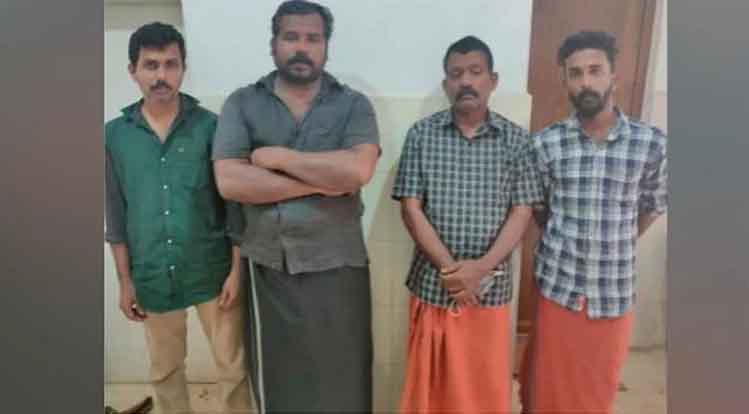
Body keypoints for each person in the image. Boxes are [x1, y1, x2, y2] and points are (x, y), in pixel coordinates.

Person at [211, 1, 381, 412]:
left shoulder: (353, 104)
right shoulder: (242, 103)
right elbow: (230, 181)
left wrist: (279, 159)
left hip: (339, 263)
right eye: (291, 37)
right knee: (281, 385)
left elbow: (358, 171)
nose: (302, 47)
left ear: (326, 47)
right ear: (273, 44)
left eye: (313, 38)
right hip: (269, 267)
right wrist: (324, 182)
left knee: (343, 378)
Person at [104, 22, 254, 414]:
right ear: (133, 70)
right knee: (165, 370)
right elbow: (115, 214)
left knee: (233, 368)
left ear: (183, 68)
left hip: (213, 270)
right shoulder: (114, 136)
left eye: (171, 64)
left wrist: (236, 271)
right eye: (150, 65)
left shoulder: (211, 128)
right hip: (152, 272)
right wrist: (125, 281)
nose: (161, 75)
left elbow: (235, 206)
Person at [520, 30, 668, 414]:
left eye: (595, 70)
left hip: (612, 289)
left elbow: (651, 206)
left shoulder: (651, 144)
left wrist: (615, 240)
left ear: (613, 76)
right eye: (576, 73)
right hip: (559, 285)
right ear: (565, 81)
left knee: (597, 389)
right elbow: (540, 210)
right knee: (549, 386)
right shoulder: (546, 144)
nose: (586, 82)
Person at [392, 35, 542, 414]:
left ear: (493, 80)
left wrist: (480, 270)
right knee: (432, 391)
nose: (466, 82)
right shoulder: (422, 135)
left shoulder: (517, 141)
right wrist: (452, 270)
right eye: (456, 74)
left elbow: (522, 212)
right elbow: (411, 209)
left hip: (490, 290)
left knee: (482, 387)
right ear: (446, 84)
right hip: (434, 285)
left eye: (475, 72)